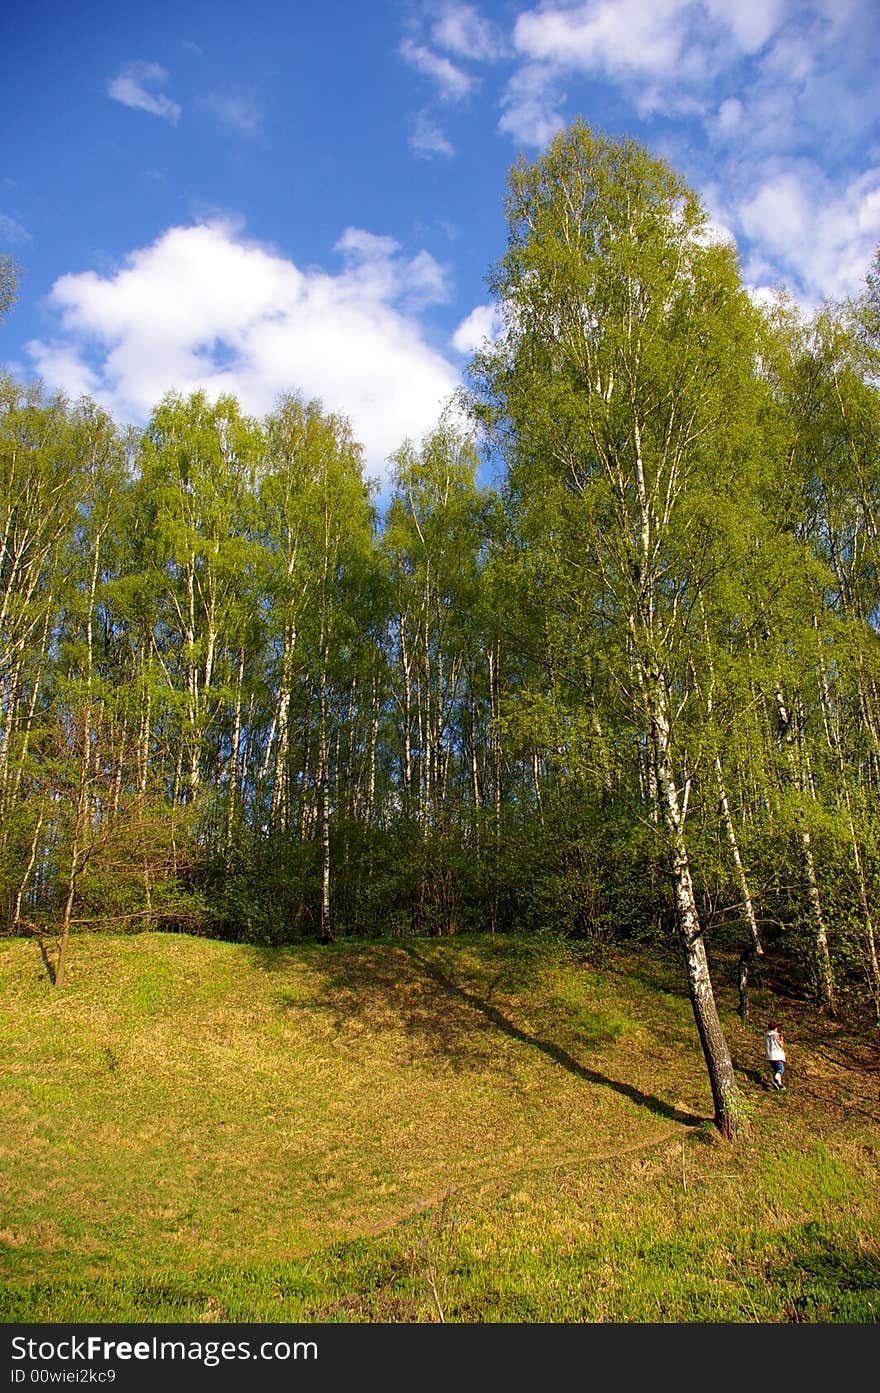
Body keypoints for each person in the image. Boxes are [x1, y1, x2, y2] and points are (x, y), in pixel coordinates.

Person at [765, 1020, 786, 1090]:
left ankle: (780, 1085)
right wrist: (782, 1040)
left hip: (769, 1055)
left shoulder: (767, 1035)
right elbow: (781, 1045)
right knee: (781, 1069)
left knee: (776, 1070)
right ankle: (775, 1080)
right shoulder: (777, 1035)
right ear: (775, 1028)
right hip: (777, 1055)